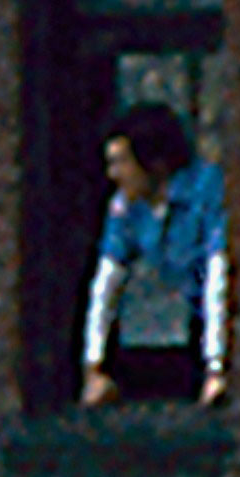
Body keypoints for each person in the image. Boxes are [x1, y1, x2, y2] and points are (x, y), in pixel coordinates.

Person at [89, 95, 219, 407]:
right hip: (188, 313)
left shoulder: (204, 192)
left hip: (211, 315)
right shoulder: (127, 206)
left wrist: (216, 368)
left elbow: (218, 275)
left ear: (155, 165)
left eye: (122, 163)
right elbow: (106, 282)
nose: (114, 175)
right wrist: (94, 366)